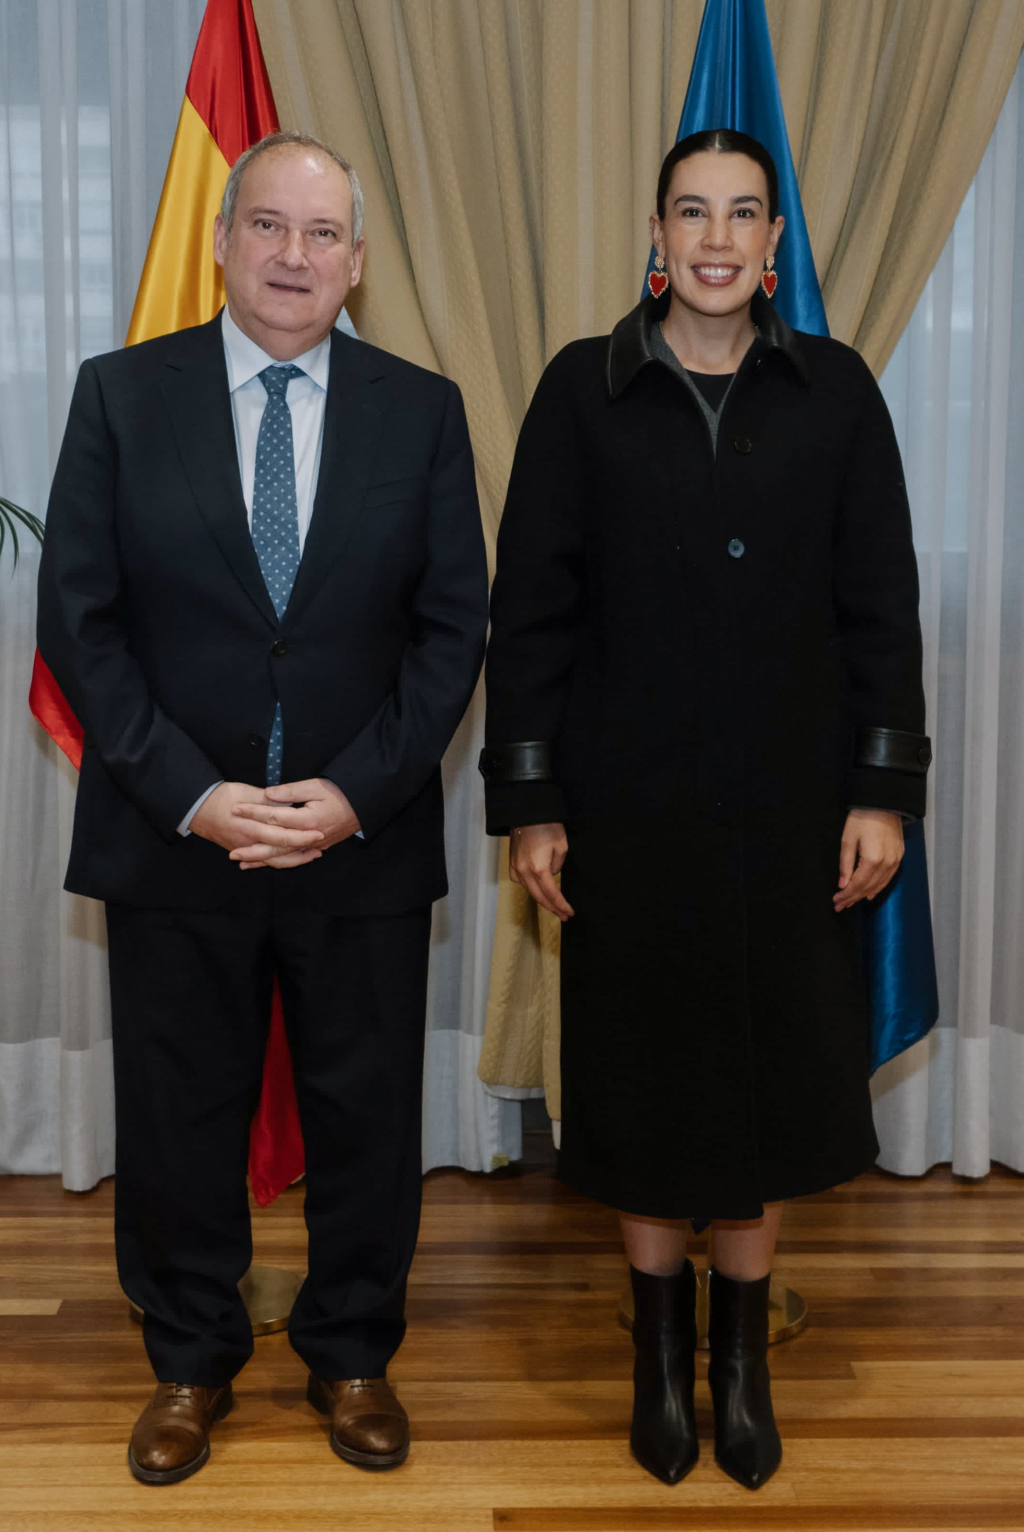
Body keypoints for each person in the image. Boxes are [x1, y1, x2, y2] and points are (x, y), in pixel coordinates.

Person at [480, 128, 931, 1491]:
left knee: (767, 1085)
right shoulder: (582, 388)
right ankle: (656, 1348)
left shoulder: (838, 390)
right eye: (694, 211)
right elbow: (531, 614)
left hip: (795, 813)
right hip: (626, 817)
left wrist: (883, 793)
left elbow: (882, 609)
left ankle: (741, 1359)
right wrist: (532, 802)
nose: (718, 238)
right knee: (645, 1083)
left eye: (744, 214)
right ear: (658, 233)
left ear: (776, 242)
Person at [37, 130, 488, 1484]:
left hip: (359, 839)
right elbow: (80, 622)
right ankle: (188, 1362)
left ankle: (352, 1356)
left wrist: (355, 793)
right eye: (271, 227)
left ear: (358, 263)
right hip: (178, 835)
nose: (295, 256)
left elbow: (452, 629)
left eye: (323, 233)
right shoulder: (123, 396)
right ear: (224, 240)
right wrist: (193, 794)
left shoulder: (424, 409)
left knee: (367, 1116)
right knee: (178, 1117)